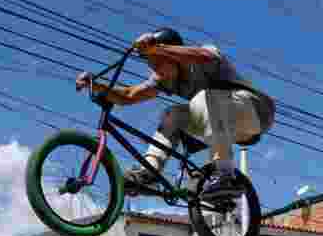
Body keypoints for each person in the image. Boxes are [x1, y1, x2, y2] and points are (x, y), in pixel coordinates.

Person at [76, 29, 276, 200]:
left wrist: (157, 47)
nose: (155, 70)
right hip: (223, 124)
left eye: (158, 62)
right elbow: (129, 95)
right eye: (151, 64)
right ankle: (150, 172)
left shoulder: (200, 57)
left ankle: (225, 174)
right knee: (172, 115)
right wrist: (97, 85)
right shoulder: (164, 78)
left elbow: (206, 56)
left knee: (201, 98)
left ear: (173, 55)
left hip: (256, 111)